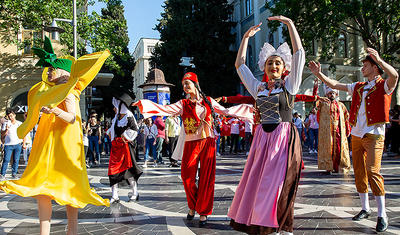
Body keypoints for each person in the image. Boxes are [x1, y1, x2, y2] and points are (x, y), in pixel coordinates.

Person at [0, 36, 110, 235]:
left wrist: (54, 111)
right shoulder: (51, 91)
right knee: (44, 190)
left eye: (51, 69)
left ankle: (72, 231)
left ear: (63, 72)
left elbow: (72, 119)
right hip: (49, 145)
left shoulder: (68, 92)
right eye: (49, 69)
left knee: (69, 190)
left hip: (63, 146)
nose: (48, 72)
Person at [134, 72, 253, 225]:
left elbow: (226, 111)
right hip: (191, 144)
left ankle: (203, 212)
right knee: (187, 177)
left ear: (195, 84)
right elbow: (166, 109)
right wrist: (144, 104)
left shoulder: (208, 101)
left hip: (208, 142)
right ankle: (193, 205)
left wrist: (249, 110)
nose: (184, 87)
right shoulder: (183, 104)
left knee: (207, 179)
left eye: (187, 83)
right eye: (183, 84)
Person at [228, 16, 304, 235]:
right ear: (265, 66)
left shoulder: (290, 85)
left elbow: (299, 54)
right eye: (270, 63)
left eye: (277, 63)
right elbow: (240, 65)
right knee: (260, 184)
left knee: (281, 184)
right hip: (262, 139)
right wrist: (244, 38)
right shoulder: (258, 87)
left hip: (283, 138)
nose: (273, 66)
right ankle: (264, 222)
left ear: (284, 68)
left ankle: (284, 227)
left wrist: (290, 24)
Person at [309, 46, 399, 232]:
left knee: (373, 171)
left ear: (375, 67)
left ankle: (382, 215)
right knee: (359, 171)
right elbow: (334, 84)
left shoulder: (384, 85)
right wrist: (319, 75)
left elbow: (395, 76)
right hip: (357, 134)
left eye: (365, 65)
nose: (362, 68)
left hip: (374, 134)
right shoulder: (358, 86)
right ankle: (365, 208)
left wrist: (380, 60)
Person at [107, 91, 142, 203]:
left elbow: (135, 130)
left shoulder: (129, 116)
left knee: (128, 171)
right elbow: (112, 129)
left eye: (115, 106)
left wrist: (125, 135)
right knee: (113, 171)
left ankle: (134, 193)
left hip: (126, 147)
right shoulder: (116, 118)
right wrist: (109, 132)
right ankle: (114, 195)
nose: (114, 108)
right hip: (116, 148)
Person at [314, 85, 351, 174]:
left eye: (333, 93)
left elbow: (346, 118)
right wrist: (315, 89)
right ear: (327, 94)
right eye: (330, 93)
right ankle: (328, 168)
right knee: (328, 149)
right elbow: (314, 102)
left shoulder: (341, 105)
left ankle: (339, 166)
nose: (332, 95)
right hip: (327, 131)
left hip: (339, 130)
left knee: (339, 149)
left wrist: (348, 129)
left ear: (336, 94)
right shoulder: (323, 104)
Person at [0, 109, 25, 180]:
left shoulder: (19, 123)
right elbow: (2, 135)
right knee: (6, 159)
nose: (10, 117)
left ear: (14, 115)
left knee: (16, 160)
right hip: (8, 145)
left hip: (17, 144)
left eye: (11, 116)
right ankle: (2, 174)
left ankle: (14, 174)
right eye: (9, 116)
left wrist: (24, 144)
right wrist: (6, 129)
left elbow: (23, 134)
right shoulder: (6, 123)